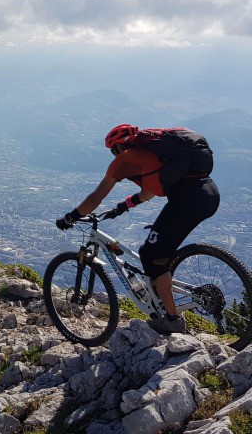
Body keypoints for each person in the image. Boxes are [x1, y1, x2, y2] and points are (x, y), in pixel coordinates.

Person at [55, 124, 219, 335]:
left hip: (187, 202)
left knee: (150, 255)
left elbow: (96, 197)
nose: (114, 155)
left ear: (119, 146)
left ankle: (172, 319)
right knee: (160, 247)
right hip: (208, 193)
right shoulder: (156, 152)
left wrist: (71, 217)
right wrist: (123, 206)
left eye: (113, 150)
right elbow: (151, 189)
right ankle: (163, 293)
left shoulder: (124, 160)